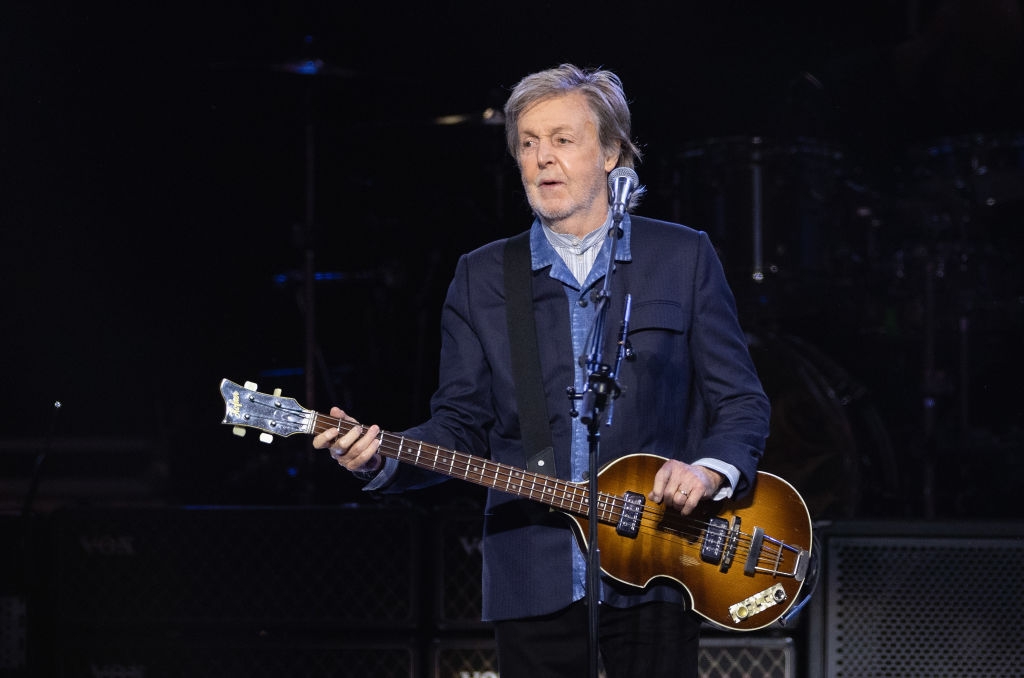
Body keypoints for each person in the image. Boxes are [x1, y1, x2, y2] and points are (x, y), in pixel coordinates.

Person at [313, 63, 770, 678]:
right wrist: (379, 457)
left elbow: (741, 402)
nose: (541, 159)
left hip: (665, 566)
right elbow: (459, 425)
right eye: (527, 144)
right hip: (533, 571)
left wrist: (709, 473)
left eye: (562, 140)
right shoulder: (481, 277)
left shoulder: (682, 256)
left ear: (611, 154)